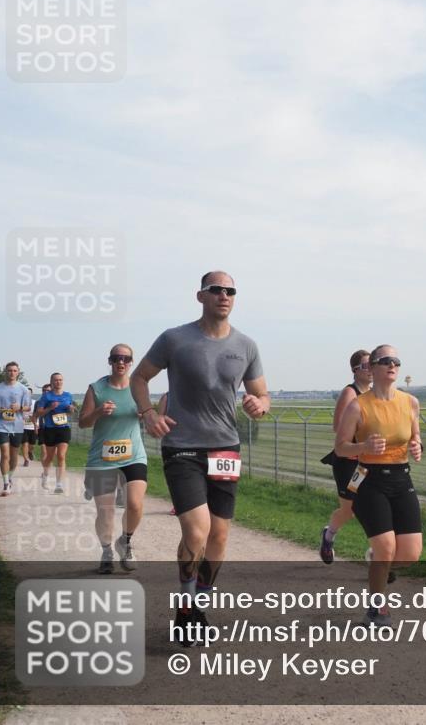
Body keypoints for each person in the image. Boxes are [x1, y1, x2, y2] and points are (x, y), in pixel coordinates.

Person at [131, 271, 269, 645]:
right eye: (217, 290)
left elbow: (262, 394)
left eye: (231, 291)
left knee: (220, 537)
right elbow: (139, 378)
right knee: (196, 530)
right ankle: (186, 605)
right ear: (201, 296)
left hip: (226, 447)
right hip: (183, 447)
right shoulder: (175, 339)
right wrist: (148, 415)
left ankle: (198, 604)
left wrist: (259, 404)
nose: (225, 295)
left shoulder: (246, 345)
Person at [335, 344, 422, 626]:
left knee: (409, 555)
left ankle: (376, 563)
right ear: (372, 368)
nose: (392, 364)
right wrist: (364, 445)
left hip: (401, 478)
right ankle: (376, 609)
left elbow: (415, 437)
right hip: (369, 479)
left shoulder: (410, 402)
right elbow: (340, 449)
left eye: (396, 360)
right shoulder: (357, 406)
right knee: (386, 548)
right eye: (385, 360)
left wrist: (417, 446)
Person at [79, 345, 148, 574]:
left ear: (131, 362)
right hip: (102, 459)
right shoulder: (96, 388)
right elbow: (83, 422)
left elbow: (149, 412)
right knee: (105, 510)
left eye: (126, 359)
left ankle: (125, 542)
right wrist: (98, 412)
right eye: (117, 358)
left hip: (133, 455)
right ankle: (107, 550)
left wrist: (146, 414)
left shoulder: (139, 387)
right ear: (110, 361)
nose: (121, 362)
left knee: (135, 504)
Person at [319, 349, 372, 564]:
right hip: (348, 463)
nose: (370, 370)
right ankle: (328, 535)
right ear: (355, 370)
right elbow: (337, 427)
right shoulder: (350, 393)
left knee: (372, 506)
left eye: (373, 365)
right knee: (349, 510)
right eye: (366, 366)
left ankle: (379, 554)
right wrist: (364, 439)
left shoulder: (376, 394)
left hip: (367, 462)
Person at [0, 362, 31, 496]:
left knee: (13, 456)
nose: (11, 373)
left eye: (14, 370)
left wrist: (20, 408)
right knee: (4, 453)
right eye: (9, 370)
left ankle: (10, 476)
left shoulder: (23, 389)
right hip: (1, 425)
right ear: (5, 372)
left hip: (17, 426)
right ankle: (6, 484)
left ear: (18, 372)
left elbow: (28, 407)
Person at [36, 372, 76, 494]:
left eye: (60, 380)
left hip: (63, 428)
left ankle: (59, 484)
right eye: (56, 380)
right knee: (49, 457)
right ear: (52, 382)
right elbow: (39, 413)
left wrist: (71, 409)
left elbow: (71, 412)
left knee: (61, 456)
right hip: (50, 429)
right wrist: (49, 408)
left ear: (62, 381)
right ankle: (45, 474)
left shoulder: (68, 395)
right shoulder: (46, 397)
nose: (58, 382)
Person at [21, 385, 37, 466]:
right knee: (24, 443)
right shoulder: (21, 403)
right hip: (23, 427)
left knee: (32, 445)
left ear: (32, 394)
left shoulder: (35, 403)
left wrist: (36, 423)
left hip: (33, 426)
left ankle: (30, 452)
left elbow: (39, 414)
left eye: (29, 393)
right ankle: (26, 459)